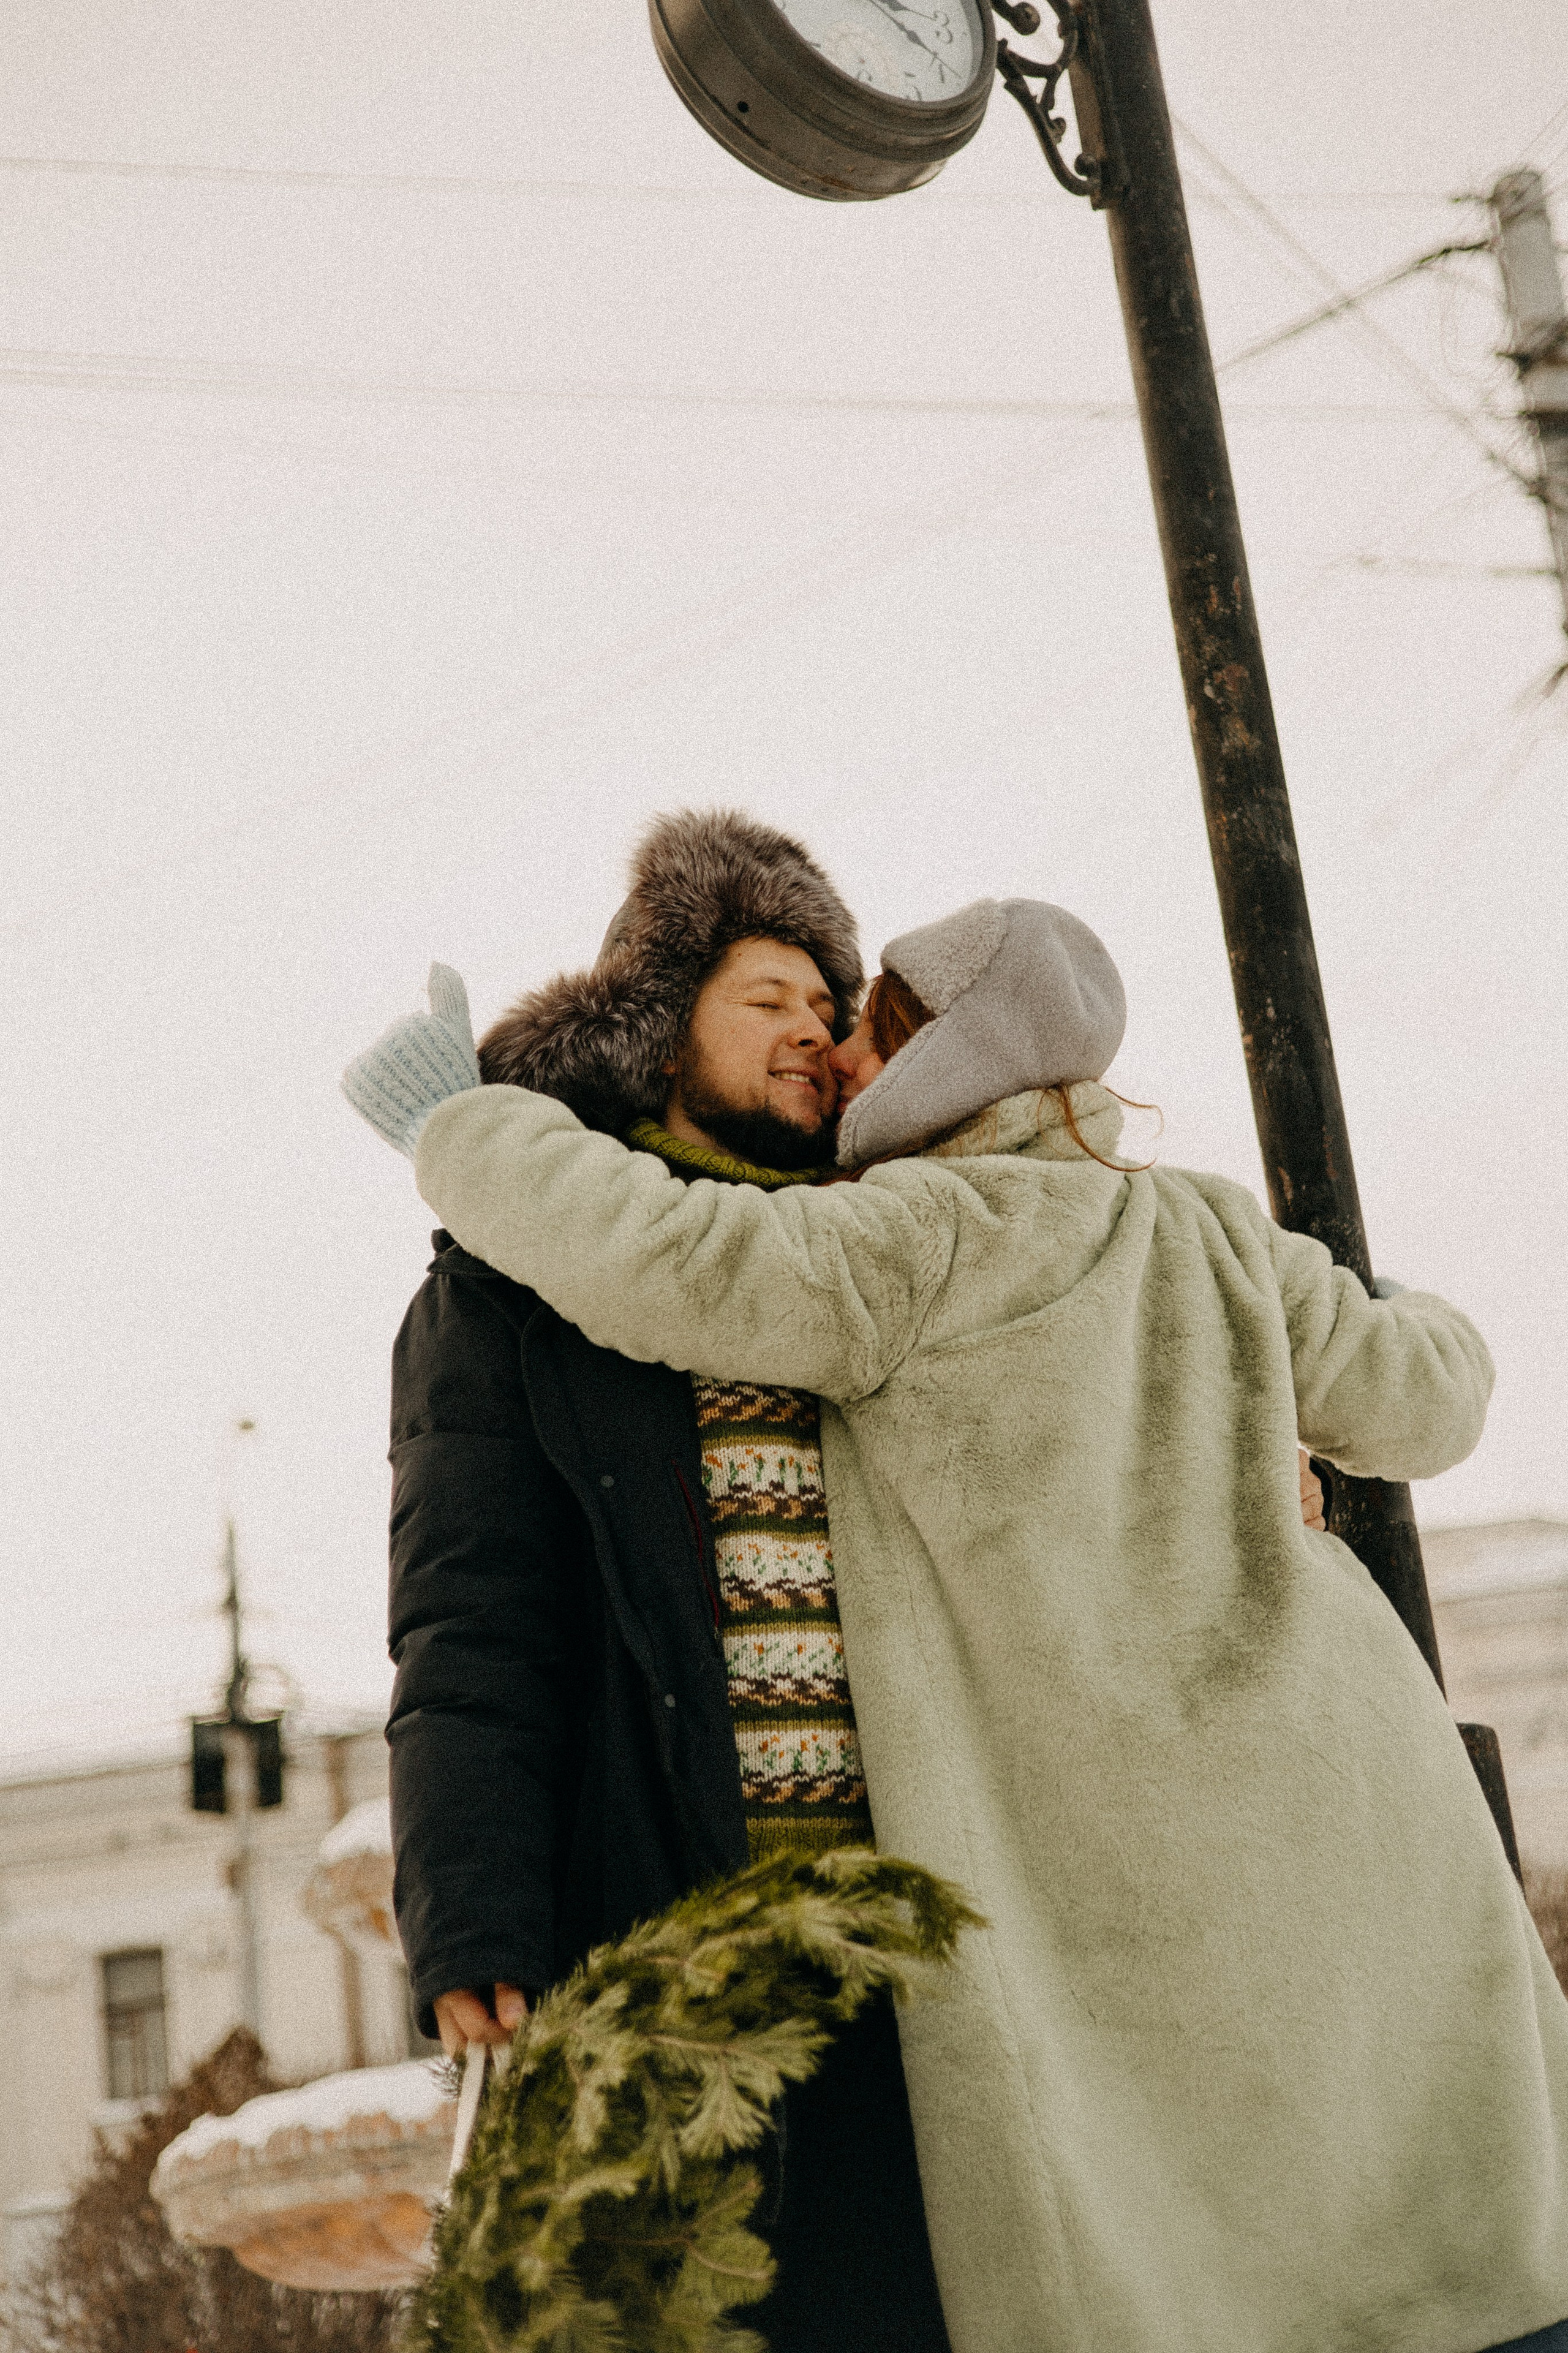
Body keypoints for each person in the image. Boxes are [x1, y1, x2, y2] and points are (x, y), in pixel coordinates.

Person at [347, 886, 1568, 2353]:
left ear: (948, 1056)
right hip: (1330, 1788)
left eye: (850, 1018)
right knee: (1381, 2244)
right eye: (779, 1006)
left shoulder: (899, 1242)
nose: (828, 1046)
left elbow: (662, 1259)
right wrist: (1273, 1401)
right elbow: (1429, 1391)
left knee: (1155, 2260)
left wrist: (460, 1125)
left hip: (1047, 1865)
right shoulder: (1210, 1232)